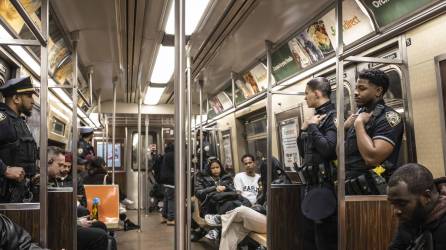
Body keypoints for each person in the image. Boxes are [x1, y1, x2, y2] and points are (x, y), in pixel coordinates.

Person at [345, 69, 404, 195]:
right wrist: (344, 128)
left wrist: (359, 125)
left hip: (374, 190)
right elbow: (341, 154)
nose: (355, 93)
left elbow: (372, 159)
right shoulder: (359, 115)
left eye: (362, 88)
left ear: (378, 91)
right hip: (352, 188)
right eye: (356, 88)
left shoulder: (388, 117)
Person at [297, 77, 337, 250]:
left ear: (317, 93)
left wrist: (312, 128)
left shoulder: (332, 117)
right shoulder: (315, 117)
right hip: (310, 186)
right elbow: (304, 154)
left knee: (324, 241)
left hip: (324, 186)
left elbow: (329, 149)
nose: (305, 98)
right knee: (308, 239)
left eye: (307, 94)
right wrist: (303, 131)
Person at [387, 163, 446, 250]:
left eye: (402, 204)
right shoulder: (411, 218)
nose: (396, 211)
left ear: (427, 197)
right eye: (393, 204)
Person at [0, 76, 38, 202]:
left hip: (19, 194)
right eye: (29, 96)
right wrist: (5, 170)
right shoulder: (3, 120)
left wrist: (31, 175)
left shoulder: (20, 122)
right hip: (4, 196)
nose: (33, 101)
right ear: (16, 98)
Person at [82, 157, 139, 231]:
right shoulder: (106, 177)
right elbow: (115, 191)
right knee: (115, 204)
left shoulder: (86, 178)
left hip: (91, 207)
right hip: (103, 206)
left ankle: (126, 221)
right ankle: (126, 221)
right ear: (101, 166)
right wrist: (122, 198)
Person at [159, 143, 175, 225]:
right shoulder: (173, 155)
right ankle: (171, 218)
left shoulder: (165, 155)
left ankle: (164, 216)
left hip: (165, 179)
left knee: (167, 198)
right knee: (172, 198)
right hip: (171, 179)